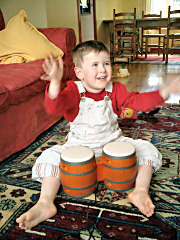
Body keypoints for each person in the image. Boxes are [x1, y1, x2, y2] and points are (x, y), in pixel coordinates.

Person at [16, 40, 180, 230]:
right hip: (78, 150)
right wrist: (54, 82)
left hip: (113, 147)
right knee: (48, 158)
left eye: (106, 63)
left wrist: (165, 91)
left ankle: (141, 191)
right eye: (95, 65)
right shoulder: (73, 91)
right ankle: (45, 202)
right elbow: (54, 107)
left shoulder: (116, 90)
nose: (103, 69)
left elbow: (139, 102)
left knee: (147, 149)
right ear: (79, 73)